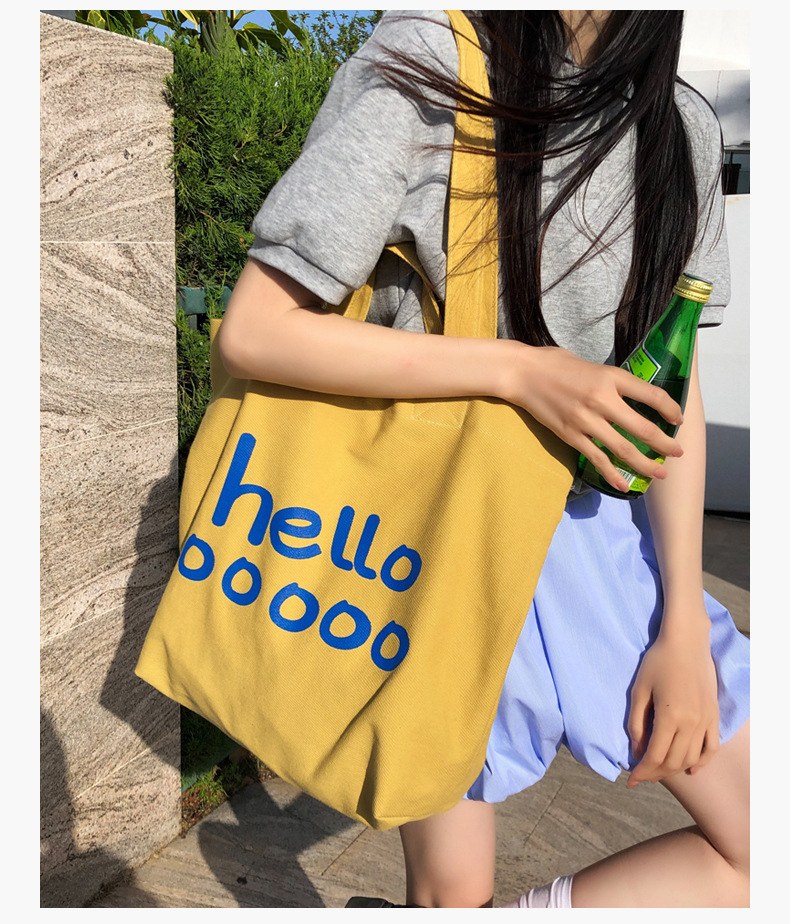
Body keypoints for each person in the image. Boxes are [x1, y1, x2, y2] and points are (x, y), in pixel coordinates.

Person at [218, 10, 750, 908]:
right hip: (433, 543)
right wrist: (519, 370)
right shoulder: (431, 61)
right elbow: (256, 331)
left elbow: (675, 388)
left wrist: (686, 623)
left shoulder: (679, 124)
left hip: (598, 547)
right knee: (450, 895)